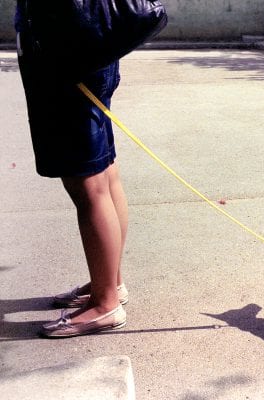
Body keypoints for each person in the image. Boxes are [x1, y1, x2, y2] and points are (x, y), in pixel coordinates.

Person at [15, 0, 129, 337]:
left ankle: (106, 304)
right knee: (104, 173)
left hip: (70, 52)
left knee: (88, 184)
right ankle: (110, 285)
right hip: (88, 46)